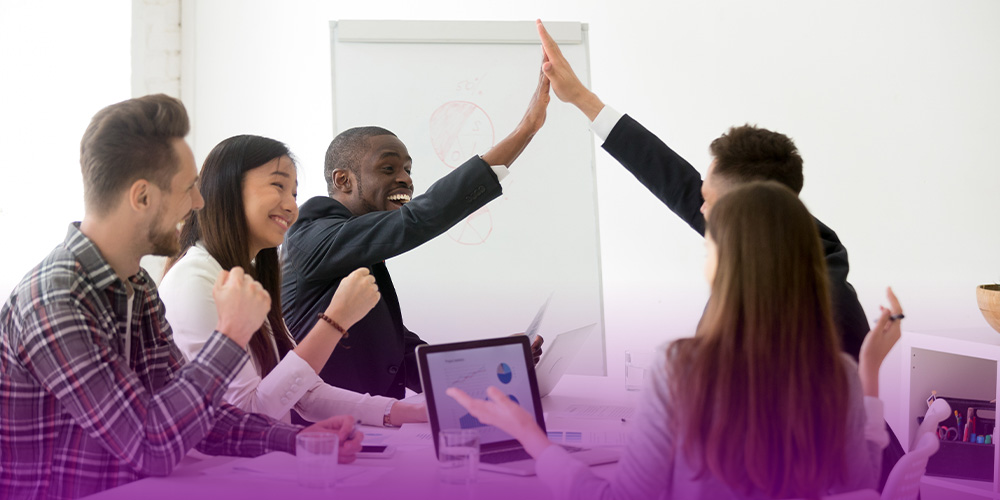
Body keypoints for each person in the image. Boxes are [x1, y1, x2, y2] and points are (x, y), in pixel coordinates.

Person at [534, 20, 906, 486]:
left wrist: (535, 442)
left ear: (743, 211)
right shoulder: (785, 259)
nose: (700, 207)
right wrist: (583, 100)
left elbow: (854, 464)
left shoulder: (821, 300)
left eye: (709, 199)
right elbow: (676, 181)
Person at [0, 95, 361, 500]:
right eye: (188, 188)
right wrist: (229, 337)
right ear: (142, 197)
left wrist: (294, 438)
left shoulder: (138, 287)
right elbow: (152, 445)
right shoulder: (56, 299)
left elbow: (190, 416)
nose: (199, 202)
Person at [450, 181, 899, 499]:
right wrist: (869, 372)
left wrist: (531, 437)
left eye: (709, 250)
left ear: (728, 264)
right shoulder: (837, 374)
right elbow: (860, 485)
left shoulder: (680, 367)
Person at [281, 65, 550, 400]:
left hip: (369, 432)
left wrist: (498, 362)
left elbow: (405, 359)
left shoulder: (359, 253)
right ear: (343, 180)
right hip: (318, 436)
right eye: (388, 168)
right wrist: (525, 130)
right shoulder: (311, 233)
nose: (405, 179)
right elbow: (417, 219)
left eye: (408, 169)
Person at [159, 134, 426, 427]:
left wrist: (404, 413)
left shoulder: (249, 278)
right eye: (278, 186)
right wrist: (336, 320)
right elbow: (250, 413)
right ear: (227, 188)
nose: (291, 206)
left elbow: (303, 393)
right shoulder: (194, 281)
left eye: (295, 194)